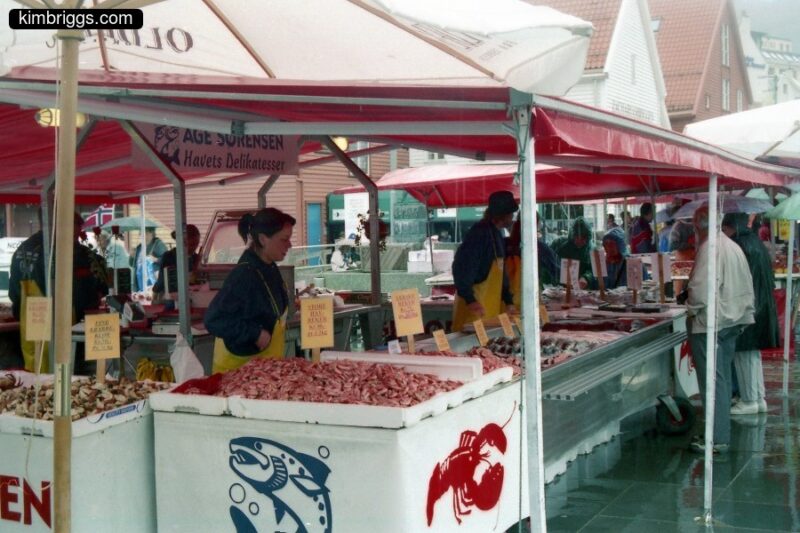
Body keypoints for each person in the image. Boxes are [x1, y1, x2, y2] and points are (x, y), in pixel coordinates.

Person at [686, 206, 754, 454]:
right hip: (732, 319)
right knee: (721, 380)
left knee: (713, 382)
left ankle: (716, 438)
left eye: (694, 223)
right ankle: (719, 435)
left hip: (712, 323)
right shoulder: (731, 245)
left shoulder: (710, 248)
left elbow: (700, 292)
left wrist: (690, 308)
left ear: (699, 224)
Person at [9, 212, 108, 373]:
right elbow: (97, 287)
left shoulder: (23, 249)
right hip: (69, 329)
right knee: (71, 376)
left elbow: (14, 292)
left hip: (33, 327)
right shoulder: (73, 253)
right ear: (61, 222)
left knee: (38, 376)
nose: (78, 233)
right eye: (77, 227)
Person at [204, 208, 295, 373]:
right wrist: (254, 333)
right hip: (236, 372)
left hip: (264, 369)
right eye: (284, 239)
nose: (290, 245)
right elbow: (214, 319)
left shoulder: (269, 267)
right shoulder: (244, 275)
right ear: (263, 239)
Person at [722, 213, 778, 415]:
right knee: (753, 356)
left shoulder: (739, 245)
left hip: (748, 306)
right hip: (762, 305)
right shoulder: (755, 241)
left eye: (724, 230)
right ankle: (758, 398)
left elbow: (736, 279)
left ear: (730, 228)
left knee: (743, 354)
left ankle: (749, 400)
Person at [451, 190, 517, 332]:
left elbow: (501, 273)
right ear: (503, 215)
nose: (513, 217)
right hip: (474, 310)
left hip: (489, 310)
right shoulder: (479, 234)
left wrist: (508, 300)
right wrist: (470, 299)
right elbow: (461, 267)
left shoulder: (497, 234)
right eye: (511, 213)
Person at [505, 215, 559, 308]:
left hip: (506, 303)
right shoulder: (540, 247)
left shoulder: (504, 244)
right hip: (530, 302)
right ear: (536, 225)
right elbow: (556, 271)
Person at [152, 224, 202, 303]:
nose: (194, 247)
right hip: (166, 296)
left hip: (189, 297)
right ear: (182, 243)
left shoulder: (196, 258)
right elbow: (163, 281)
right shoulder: (169, 257)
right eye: (192, 244)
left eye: (197, 244)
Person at [551, 217, 594, 289]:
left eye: (583, 239)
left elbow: (595, 271)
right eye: (577, 238)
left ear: (588, 238)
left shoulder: (592, 249)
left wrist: (586, 278)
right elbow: (549, 266)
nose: (580, 241)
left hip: (582, 289)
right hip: (559, 288)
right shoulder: (559, 245)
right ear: (572, 236)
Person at [131, 227, 167, 292]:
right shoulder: (139, 247)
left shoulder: (158, 244)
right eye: (140, 233)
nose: (141, 235)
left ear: (151, 233)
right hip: (140, 283)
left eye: (144, 233)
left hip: (153, 282)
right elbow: (132, 264)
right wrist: (131, 257)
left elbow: (166, 260)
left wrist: (155, 259)